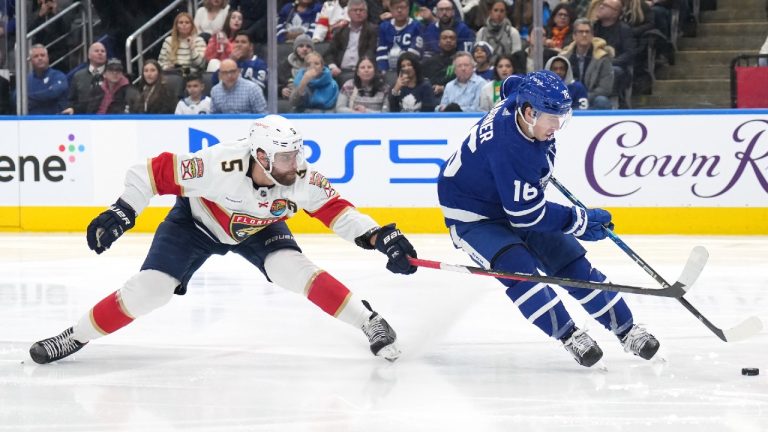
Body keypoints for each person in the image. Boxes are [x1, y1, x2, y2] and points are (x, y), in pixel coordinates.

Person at [29, 115, 418, 365]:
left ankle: (370, 321)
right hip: (194, 224)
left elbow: (337, 211)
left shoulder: (299, 176)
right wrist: (123, 211)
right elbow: (148, 172)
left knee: (292, 269)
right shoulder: (218, 164)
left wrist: (379, 236)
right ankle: (74, 336)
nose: (294, 165)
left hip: (260, 227)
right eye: (284, 158)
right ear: (260, 156)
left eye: (296, 155)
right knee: (152, 291)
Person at [436, 70, 660, 368]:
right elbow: (527, 214)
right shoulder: (510, 148)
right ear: (529, 113)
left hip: (506, 194)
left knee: (571, 264)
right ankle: (570, 336)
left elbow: (510, 84)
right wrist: (578, 220)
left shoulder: (520, 102)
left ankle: (627, 329)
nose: (558, 126)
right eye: (552, 118)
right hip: (474, 215)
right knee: (519, 271)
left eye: (563, 117)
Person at [561, 18, 614, 110]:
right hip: (570, 97)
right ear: (574, 36)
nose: (584, 35)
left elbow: (605, 88)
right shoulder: (564, 58)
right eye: (581, 32)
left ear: (592, 35)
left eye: (587, 32)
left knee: (602, 101)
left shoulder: (602, 58)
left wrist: (583, 97)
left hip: (592, 98)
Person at [323, 0, 378, 86]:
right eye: (355, 10)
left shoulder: (372, 30)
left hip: (362, 70)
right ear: (348, 13)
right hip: (340, 70)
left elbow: (371, 52)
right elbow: (329, 53)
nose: (358, 12)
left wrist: (362, 67)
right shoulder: (340, 31)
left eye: (361, 10)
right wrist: (333, 66)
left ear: (366, 13)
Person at [62, 42, 106, 115]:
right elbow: (72, 100)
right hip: (83, 119)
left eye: (103, 51)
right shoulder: (78, 76)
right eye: (96, 51)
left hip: (108, 119)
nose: (100, 53)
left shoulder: (113, 76)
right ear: (89, 55)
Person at [158, 12, 208, 76]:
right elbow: (160, 63)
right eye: (181, 22)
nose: (184, 25)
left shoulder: (199, 41)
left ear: (192, 25)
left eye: (187, 22)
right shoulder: (168, 41)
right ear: (176, 26)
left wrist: (192, 48)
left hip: (192, 75)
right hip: (172, 74)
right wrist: (166, 67)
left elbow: (201, 65)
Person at [25, 44, 68, 114]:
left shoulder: (58, 76)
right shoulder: (27, 79)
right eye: (36, 56)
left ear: (48, 58)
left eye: (42, 55)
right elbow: (16, 97)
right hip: (31, 121)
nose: (40, 58)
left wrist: (27, 97)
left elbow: (52, 93)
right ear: (31, 60)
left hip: (54, 121)